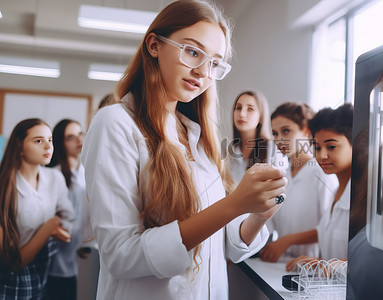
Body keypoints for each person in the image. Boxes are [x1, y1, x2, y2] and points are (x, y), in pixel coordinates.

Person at [80, 1, 286, 299]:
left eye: (214, 63)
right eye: (192, 52)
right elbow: (120, 254)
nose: (203, 71)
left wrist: (258, 214)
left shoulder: (197, 137)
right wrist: (234, 204)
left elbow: (222, 242)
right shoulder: (116, 124)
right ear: (154, 45)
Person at [0, 118, 75, 299]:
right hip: (10, 281)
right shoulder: (4, 187)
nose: (48, 147)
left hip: (42, 274)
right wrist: (48, 228)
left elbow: (69, 221)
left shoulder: (54, 177)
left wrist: (58, 227)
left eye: (50, 140)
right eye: (38, 141)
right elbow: (13, 263)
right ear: (19, 147)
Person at [259, 102, 338, 262]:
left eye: (286, 131)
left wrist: (287, 241)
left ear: (306, 130)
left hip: (312, 268)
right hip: (282, 264)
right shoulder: (281, 175)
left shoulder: (322, 174)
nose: (279, 139)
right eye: (274, 133)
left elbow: (329, 228)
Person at [285, 103, 354, 272]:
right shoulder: (336, 194)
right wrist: (317, 262)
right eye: (317, 148)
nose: (322, 155)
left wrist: (326, 265)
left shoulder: (365, 199)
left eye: (331, 147)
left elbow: (367, 265)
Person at [45, 119, 91, 300]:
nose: (79, 141)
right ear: (59, 143)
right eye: (70, 137)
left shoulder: (88, 172)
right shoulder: (53, 175)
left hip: (85, 258)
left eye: (80, 134)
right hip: (60, 260)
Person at [227, 90, 288, 183]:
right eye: (239, 108)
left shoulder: (273, 149)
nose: (242, 114)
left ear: (261, 116)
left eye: (250, 109)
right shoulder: (230, 153)